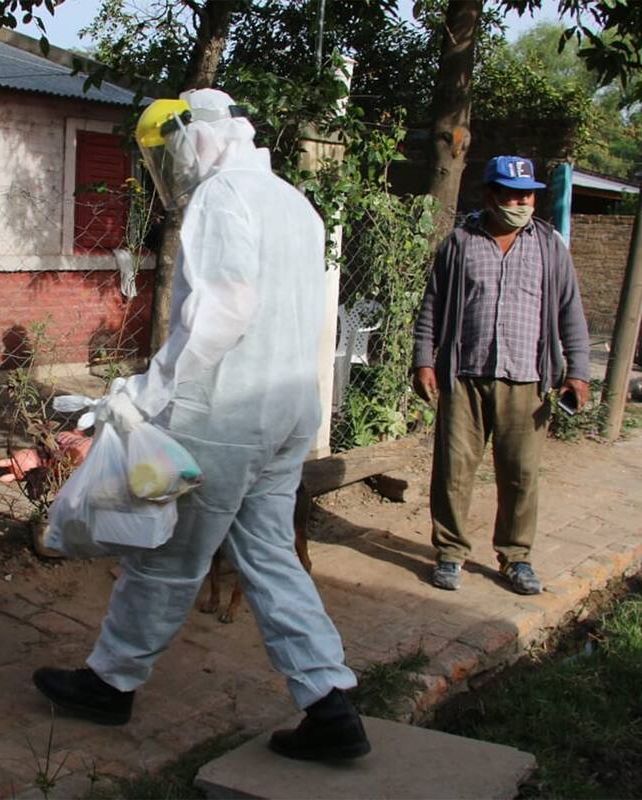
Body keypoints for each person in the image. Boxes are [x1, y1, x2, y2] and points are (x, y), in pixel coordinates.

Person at [32, 89, 370, 761]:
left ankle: (111, 684)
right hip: (288, 410)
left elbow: (225, 311)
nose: (169, 171)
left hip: (227, 415)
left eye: (166, 155)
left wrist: (149, 392)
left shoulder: (221, 198)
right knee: (271, 556)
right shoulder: (294, 202)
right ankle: (330, 704)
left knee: (164, 558)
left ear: (194, 138)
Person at [413, 155, 591, 596]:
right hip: (465, 376)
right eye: (512, 194)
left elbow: (571, 311)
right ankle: (451, 553)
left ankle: (516, 557)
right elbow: (431, 307)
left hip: (528, 379)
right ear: (490, 195)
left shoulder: (550, 247)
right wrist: (423, 360)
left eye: (527, 194)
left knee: (521, 473)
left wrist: (579, 372)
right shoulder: (459, 244)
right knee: (453, 470)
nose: (521, 202)